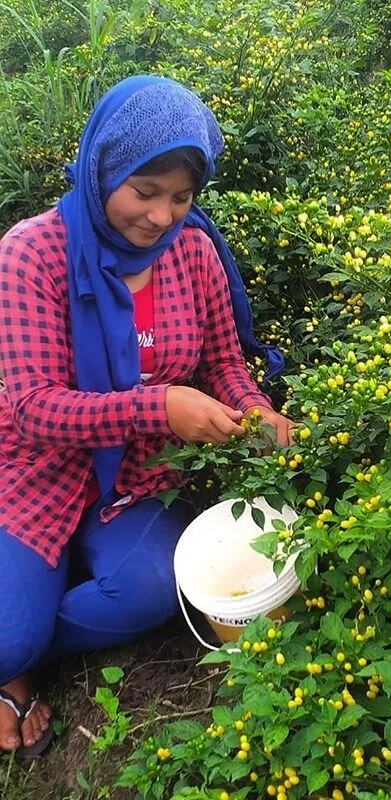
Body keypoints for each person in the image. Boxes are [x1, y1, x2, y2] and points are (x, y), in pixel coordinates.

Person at [0, 75, 294, 758]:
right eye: (145, 191)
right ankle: (20, 639)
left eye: (182, 197)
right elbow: (30, 409)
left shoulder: (191, 252)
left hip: (138, 477)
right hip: (38, 472)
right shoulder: (31, 253)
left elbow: (223, 362)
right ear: (103, 167)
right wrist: (160, 405)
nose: (163, 217)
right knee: (7, 640)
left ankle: (33, 627)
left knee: (151, 592)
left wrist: (255, 411)